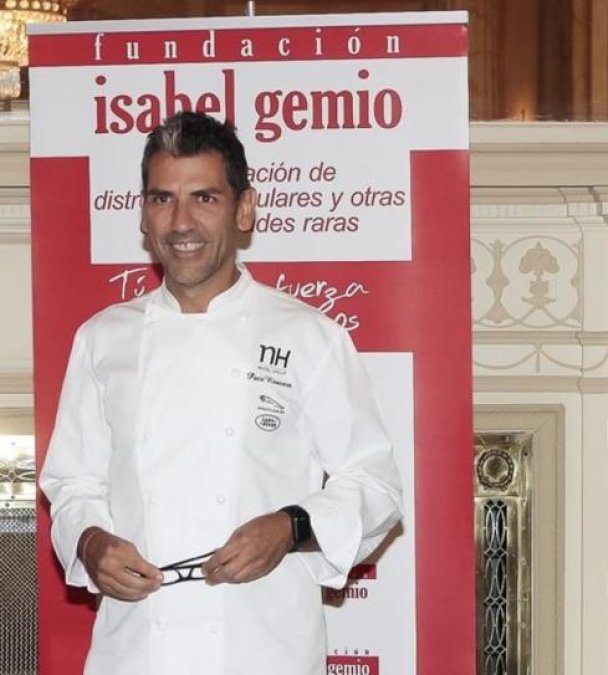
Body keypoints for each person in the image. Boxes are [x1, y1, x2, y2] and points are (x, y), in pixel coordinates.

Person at [38, 112, 404, 674]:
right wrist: (90, 543)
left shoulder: (309, 337)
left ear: (244, 209)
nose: (181, 221)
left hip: (264, 644)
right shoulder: (101, 338)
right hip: (136, 648)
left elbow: (374, 485)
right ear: (142, 213)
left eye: (204, 198)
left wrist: (289, 527)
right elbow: (72, 482)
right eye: (162, 199)